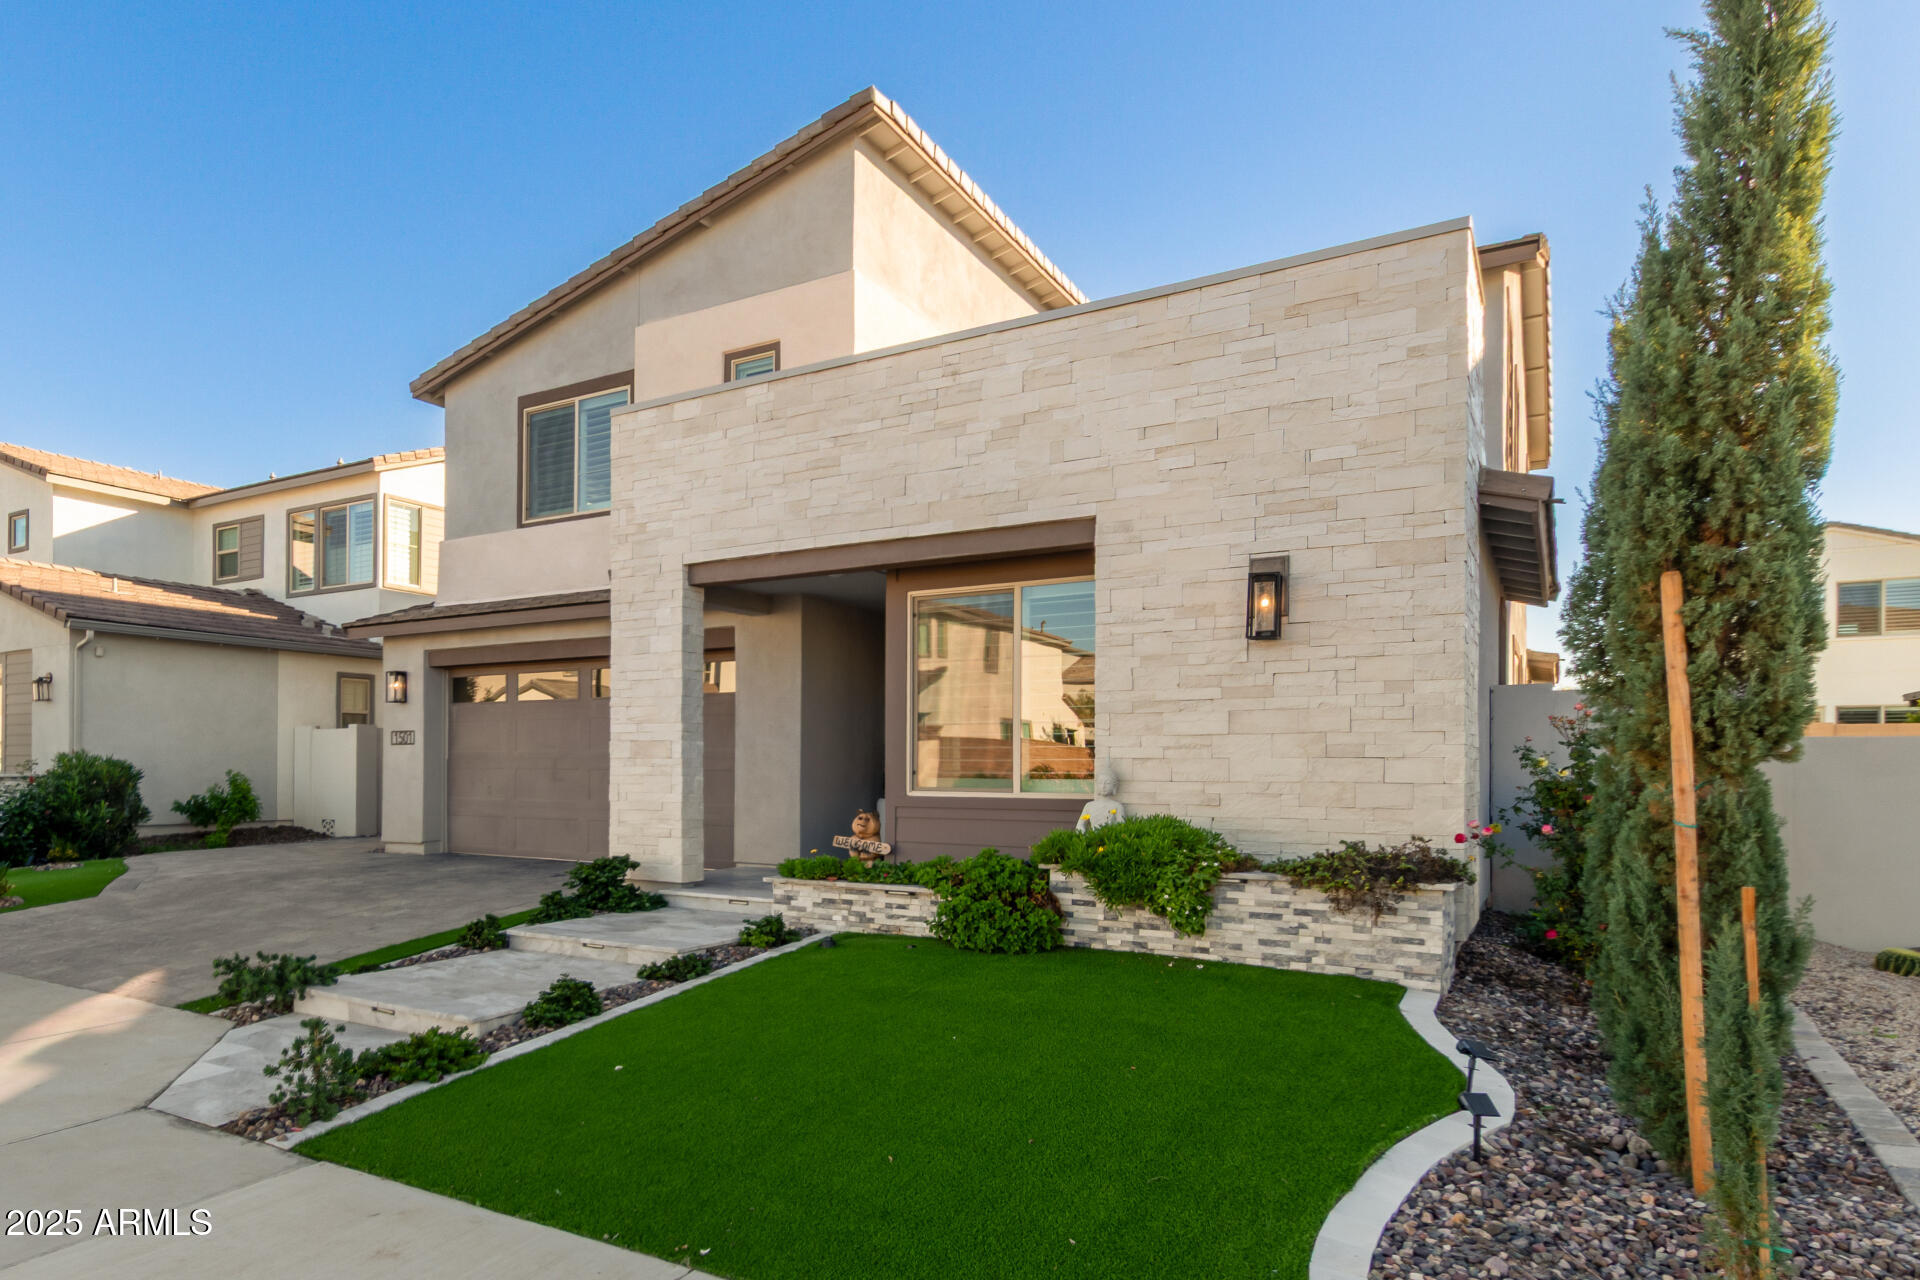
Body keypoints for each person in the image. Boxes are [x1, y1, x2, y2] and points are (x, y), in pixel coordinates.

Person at [1075, 768, 1124, 834]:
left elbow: (1122, 827)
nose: (1103, 786)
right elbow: (1080, 824)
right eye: (1100, 782)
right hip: (1093, 839)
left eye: (1107, 783)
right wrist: (1082, 832)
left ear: (1114, 786)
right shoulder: (1089, 806)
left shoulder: (1117, 806)